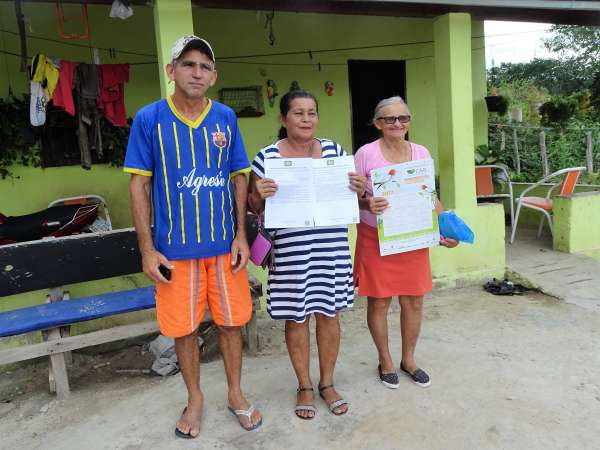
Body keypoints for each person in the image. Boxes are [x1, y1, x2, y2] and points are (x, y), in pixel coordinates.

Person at [124, 35, 262, 438]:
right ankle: (195, 398)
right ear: (171, 71)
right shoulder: (149, 119)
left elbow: (239, 178)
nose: (196, 72)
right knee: (183, 329)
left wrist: (241, 235)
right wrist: (147, 250)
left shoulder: (225, 118)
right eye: (188, 64)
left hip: (224, 249)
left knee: (232, 323)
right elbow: (139, 187)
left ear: (214, 75)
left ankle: (236, 394)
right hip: (174, 252)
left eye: (204, 66)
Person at [248, 90, 367, 419]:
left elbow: (352, 199)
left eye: (311, 113)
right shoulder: (268, 157)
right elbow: (253, 206)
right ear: (283, 119)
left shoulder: (334, 152)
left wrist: (358, 189)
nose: (306, 119)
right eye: (298, 113)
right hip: (291, 252)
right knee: (296, 318)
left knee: (329, 314)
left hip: (331, 248)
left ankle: (327, 383)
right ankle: (304, 385)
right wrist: (258, 193)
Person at [353, 96, 458, 390]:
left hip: (413, 236)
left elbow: (429, 195)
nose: (398, 124)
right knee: (380, 301)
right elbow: (352, 197)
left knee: (413, 300)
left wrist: (445, 228)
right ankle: (385, 360)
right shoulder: (365, 154)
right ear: (377, 124)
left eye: (404, 118)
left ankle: (408, 359)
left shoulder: (421, 152)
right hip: (376, 238)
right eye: (390, 119)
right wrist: (366, 204)